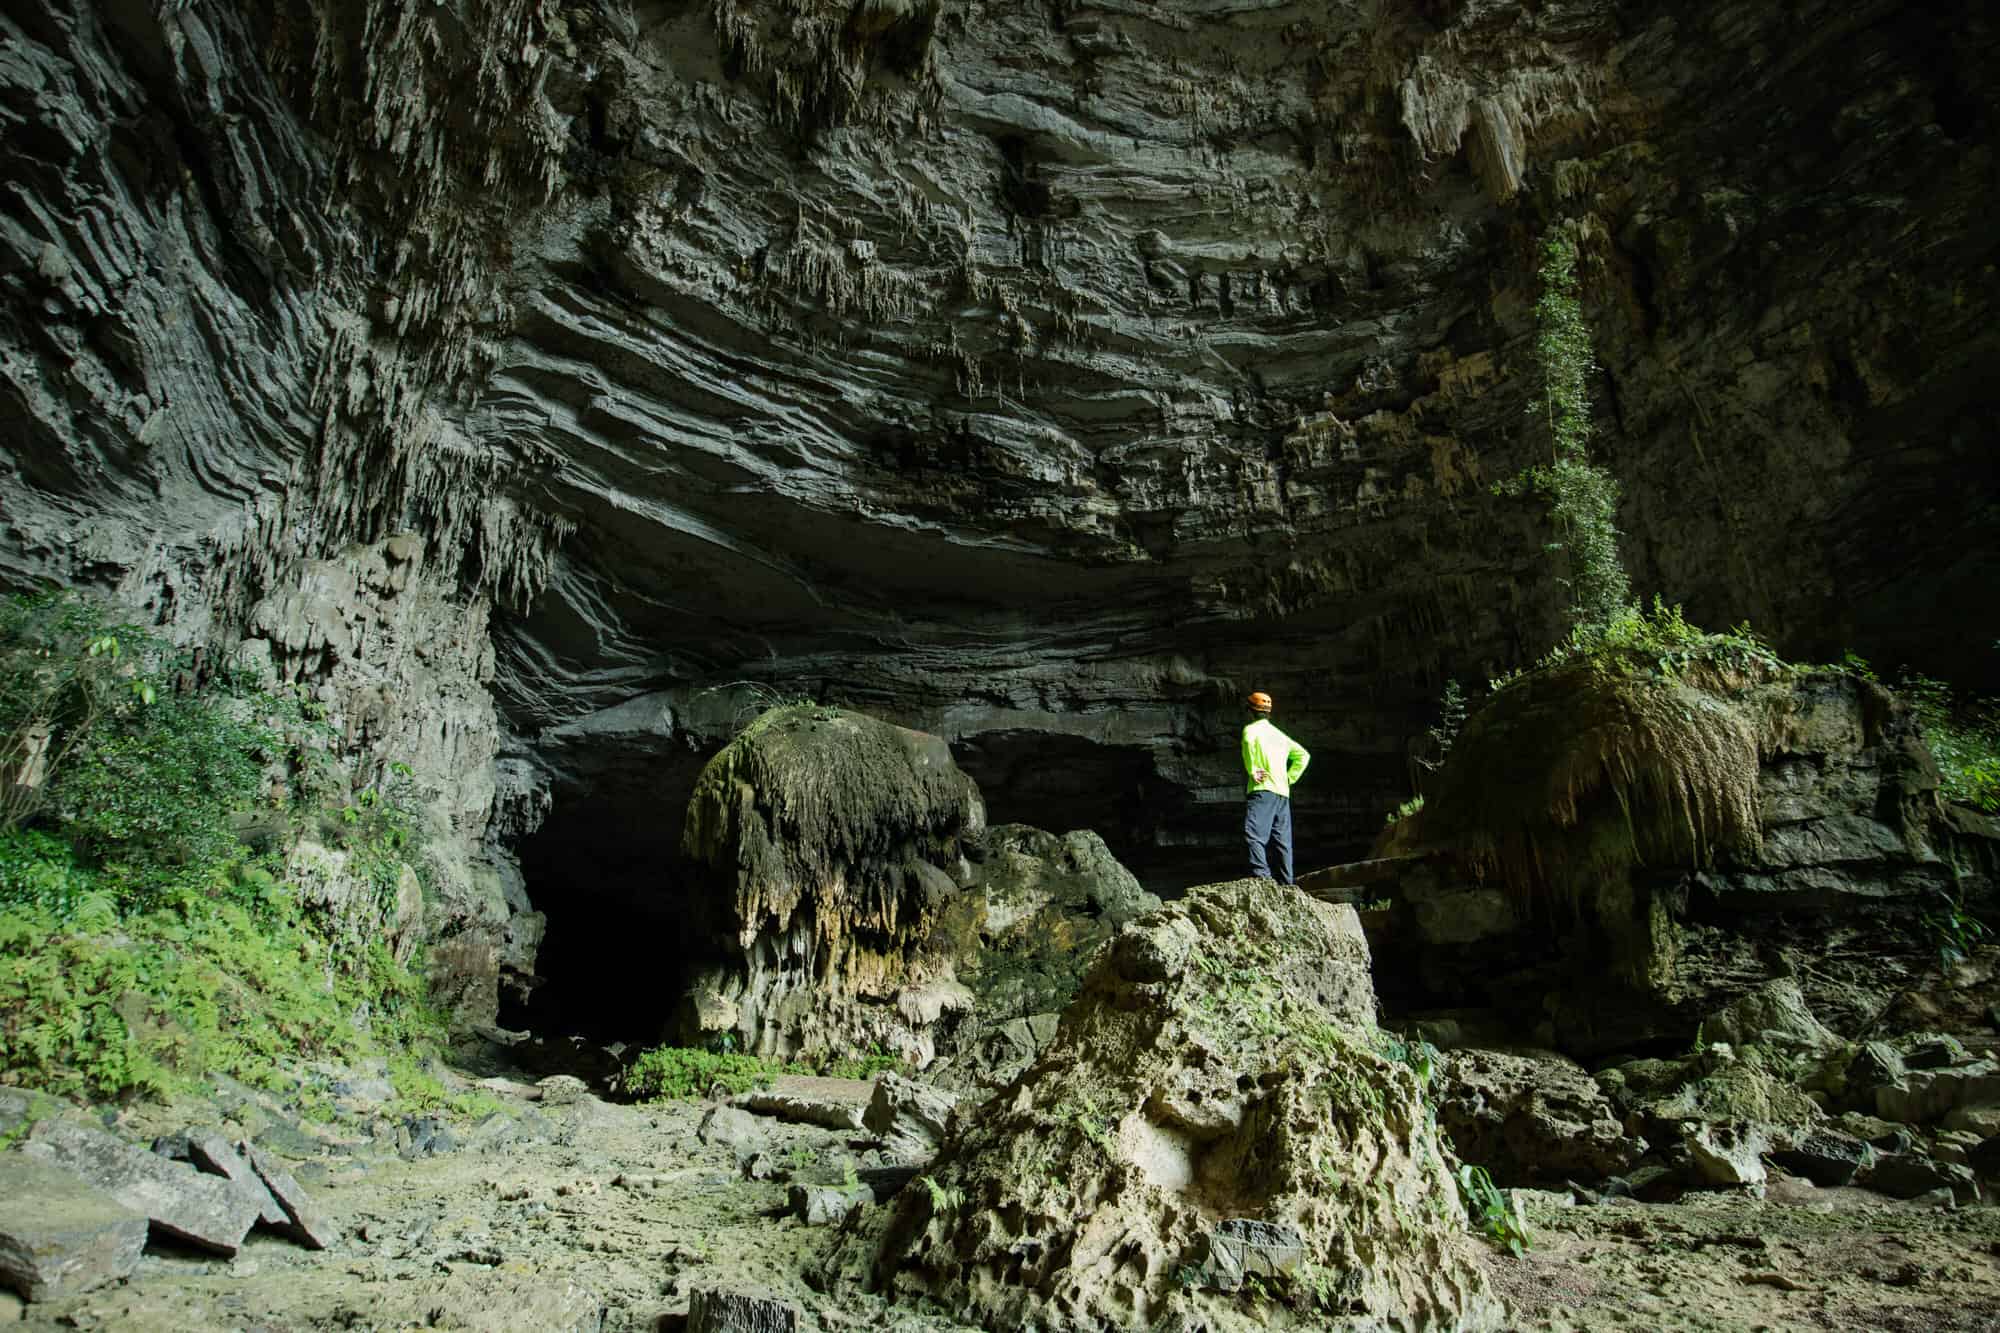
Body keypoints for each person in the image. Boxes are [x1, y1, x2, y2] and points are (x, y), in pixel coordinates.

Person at [1241, 691, 1309, 885]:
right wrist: (1290, 778)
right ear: (1268, 713)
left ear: (1250, 711)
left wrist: (1253, 770)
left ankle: (1263, 879)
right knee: (1283, 843)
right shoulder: (1280, 736)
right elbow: (1303, 755)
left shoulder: (1251, 730)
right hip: (1282, 793)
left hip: (1263, 789)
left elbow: (1247, 745)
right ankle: (1287, 884)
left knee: (1253, 834)